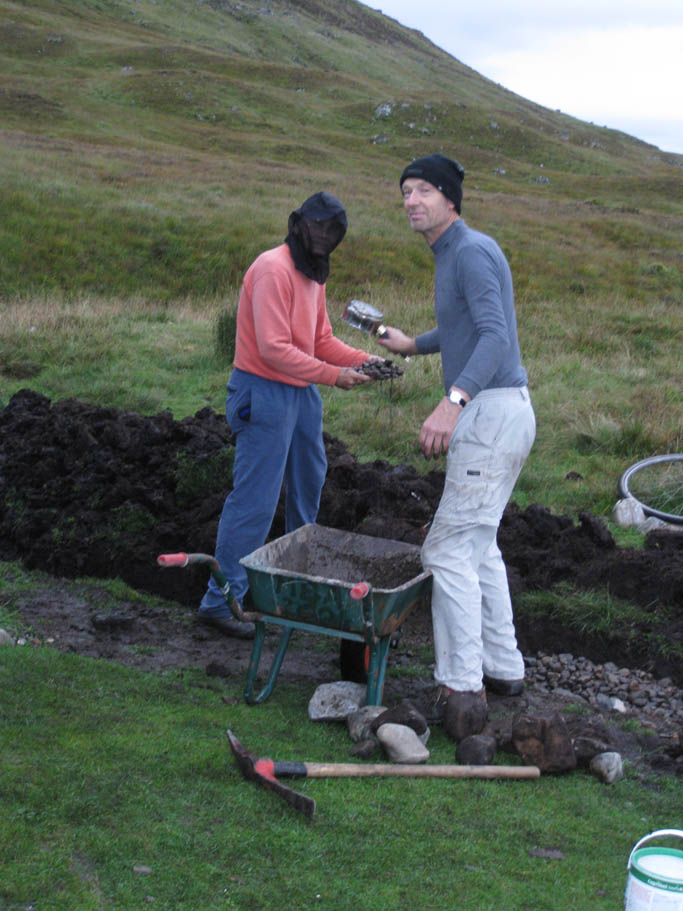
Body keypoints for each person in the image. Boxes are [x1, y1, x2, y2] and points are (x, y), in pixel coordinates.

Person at [376, 153, 536, 712]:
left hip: (490, 413)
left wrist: (452, 402)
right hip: (503, 410)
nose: (411, 202)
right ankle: (503, 669)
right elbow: (462, 325)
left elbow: (494, 335)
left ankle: (461, 689)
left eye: (422, 191)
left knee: (445, 551)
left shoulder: (468, 251)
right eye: (405, 193)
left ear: (449, 198)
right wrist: (413, 345)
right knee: (478, 544)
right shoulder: (454, 253)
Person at [198, 191, 379, 638]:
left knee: (308, 486)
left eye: (331, 231)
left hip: (301, 396)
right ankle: (222, 601)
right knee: (255, 500)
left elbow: (319, 339)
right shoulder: (271, 269)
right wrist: (335, 376)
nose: (322, 237)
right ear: (298, 223)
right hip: (262, 391)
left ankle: (294, 588)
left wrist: (363, 361)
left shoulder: (312, 275)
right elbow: (274, 349)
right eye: (316, 227)